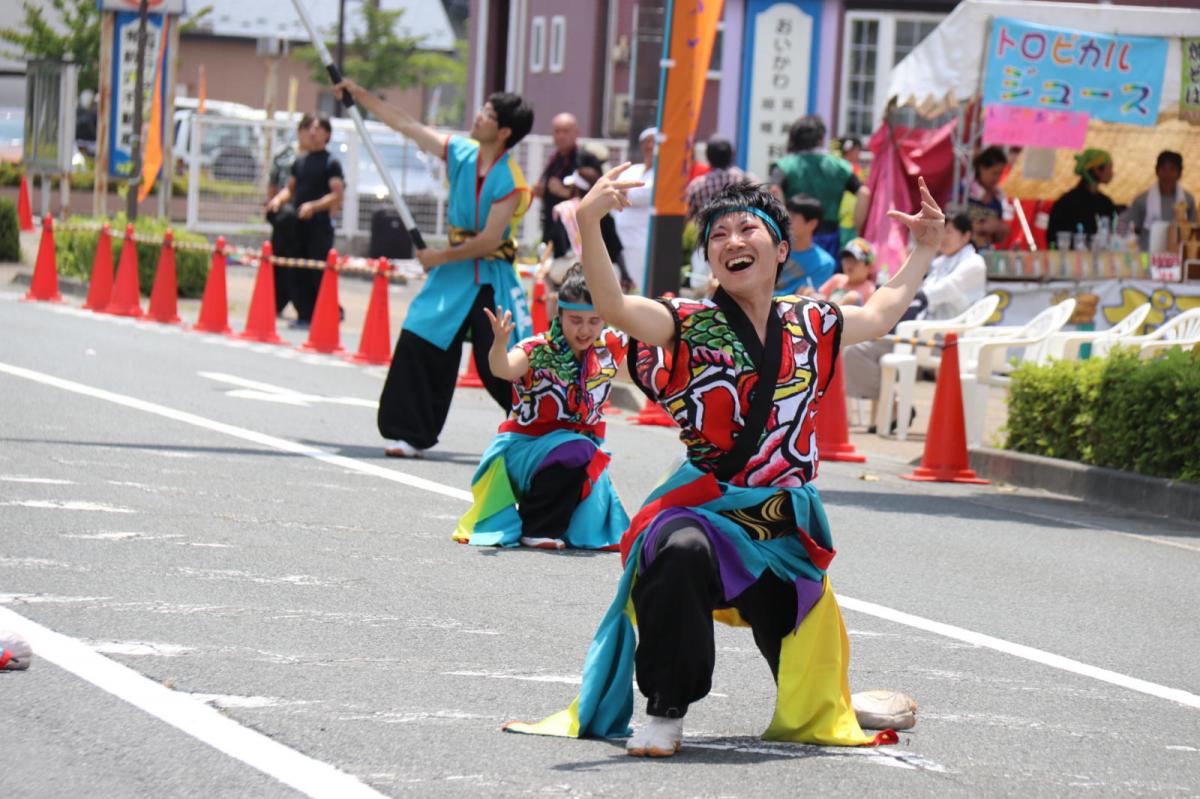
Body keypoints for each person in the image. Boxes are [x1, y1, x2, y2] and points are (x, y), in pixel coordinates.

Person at [505, 172, 944, 756]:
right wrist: (589, 222)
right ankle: (665, 709)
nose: (732, 241)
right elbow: (611, 305)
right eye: (718, 235)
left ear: (781, 249)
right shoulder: (684, 322)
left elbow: (885, 311)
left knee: (806, 658)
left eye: (748, 229)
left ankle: (832, 697)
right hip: (706, 513)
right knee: (677, 553)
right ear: (711, 258)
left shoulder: (814, 325)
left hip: (784, 531)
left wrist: (925, 248)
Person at [335, 79, 535, 459]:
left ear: (504, 131)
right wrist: (360, 95)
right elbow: (407, 125)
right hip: (455, 273)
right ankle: (410, 434)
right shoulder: (460, 152)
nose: (479, 117)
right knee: (421, 337)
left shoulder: (511, 180)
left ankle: (542, 427)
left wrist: (438, 257)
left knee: (500, 360)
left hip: (491, 276)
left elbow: (491, 240)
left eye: (488, 114)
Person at [454, 264, 631, 551]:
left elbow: (650, 377)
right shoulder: (536, 349)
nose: (585, 330)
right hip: (524, 452)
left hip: (576, 457)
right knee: (577, 448)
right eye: (575, 320)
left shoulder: (606, 353)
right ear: (557, 313)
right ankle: (538, 527)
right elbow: (503, 369)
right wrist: (499, 344)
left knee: (594, 523)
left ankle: (554, 518)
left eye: (594, 320)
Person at [842, 213, 987, 431]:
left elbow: (938, 292)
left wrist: (910, 293)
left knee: (865, 342)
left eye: (949, 231)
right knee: (856, 350)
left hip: (947, 339)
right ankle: (894, 406)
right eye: (943, 231)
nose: (944, 237)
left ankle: (895, 410)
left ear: (966, 236)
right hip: (919, 332)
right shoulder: (939, 262)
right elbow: (919, 294)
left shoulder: (974, 263)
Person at [265, 116, 344, 328]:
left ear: (327, 134)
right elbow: (290, 188)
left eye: (318, 129)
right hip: (298, 226)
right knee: (297, 271)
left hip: (319, 227)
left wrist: (313, 206)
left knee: (318, 272)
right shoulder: (300, 161)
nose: (312, 132)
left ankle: (327, 314)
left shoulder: (331, 162)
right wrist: (277, 200)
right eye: (310, 128)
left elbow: (337, 194)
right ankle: (305, 314)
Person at [770, 115, 870, 259]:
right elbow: (864, 193)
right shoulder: (840, 166)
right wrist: (857, 228)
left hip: (795, 238)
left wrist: (784, 227)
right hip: (830, 237)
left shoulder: (785, 166)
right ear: (821, 139)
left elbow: (774, 190)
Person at [541, 151, 632, 301]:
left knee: (550, 270)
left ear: (576, 188)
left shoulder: (564, 209)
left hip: (570, 269)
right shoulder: (604, 212)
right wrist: (626, 275)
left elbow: (559, 246)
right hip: (603, 270)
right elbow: (616, 249)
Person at [265, 114, 311, 318]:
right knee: (279, 260)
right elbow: (275, 184)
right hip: (285, 216)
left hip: (306, 219)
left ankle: (303, 305)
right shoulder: (285, 154)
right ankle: (276, 302)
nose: (311, 134)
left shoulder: (318, 158)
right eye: (307, 129)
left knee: (302, 265)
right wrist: (273, 203)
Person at [612, 127, 657, 291]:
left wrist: (624, 192)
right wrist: (623, 192)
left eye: (654, 141)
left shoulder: (660, 173)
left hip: (641, 238)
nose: (650, 146)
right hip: (619, 236)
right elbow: (615, 191)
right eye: (647, 142)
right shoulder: (632, 170)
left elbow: (642, 195)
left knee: (639, 282)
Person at [1123, 151, 1197, 250]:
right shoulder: (1141, 200)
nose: (1167, 174)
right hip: (1147, 257)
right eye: (1163, 169)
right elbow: (1131, 231)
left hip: (1178, 258)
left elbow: (1193, 232)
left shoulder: (1188, 200)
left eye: (1172, 169)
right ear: (1157, 171)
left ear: (1179, 173)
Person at [1046, 149, 1116, 247]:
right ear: (1097, 169)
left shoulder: (1106, 203)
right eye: (1110, 168)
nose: (1112, 173)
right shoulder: (1067, 203)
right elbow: (1054, 237)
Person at [775, 194, 835, 296]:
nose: (785, 220)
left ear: (812, 224)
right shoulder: (773, 245)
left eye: (792, 217)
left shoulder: (824, 263)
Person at [534, 112, 580, 245]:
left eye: (565, 131)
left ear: (576, 133)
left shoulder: (586, 159)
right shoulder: (554, 159)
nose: (561, 136)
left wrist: (565, 192)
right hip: (551, 228)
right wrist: (542, 192)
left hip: (573, 235)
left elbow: (595, 195)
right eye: (557, 131)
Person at [685, 137, 747, 220]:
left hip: (708, 231)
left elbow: (689, 216)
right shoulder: (745, 179)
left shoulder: (697, 186)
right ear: (732, 155)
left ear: (707, 157)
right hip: (738, 230)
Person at [965, 146, 1012, 250]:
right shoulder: (963, 193)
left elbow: (996, 239)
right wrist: (982, 227)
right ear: (981, 168)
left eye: (1000, 173)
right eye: (994, 173)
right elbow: (952, 225)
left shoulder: (997, 198)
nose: (997, 178)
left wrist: (1001, 230)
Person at [819, 238, 876, 306]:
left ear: (868, 267)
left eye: (855, 260)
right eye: (846, 259)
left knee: (852, 297)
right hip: (828, 315)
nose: (849, 264)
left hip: (849, 316)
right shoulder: (837, 279)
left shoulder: (869, 290)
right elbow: (822, 297)